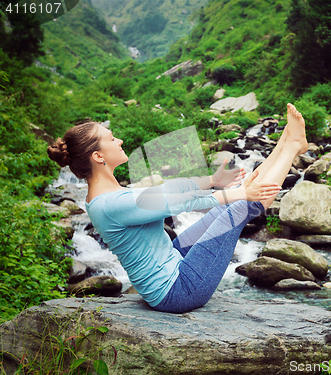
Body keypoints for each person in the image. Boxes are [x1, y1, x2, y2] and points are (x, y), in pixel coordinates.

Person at [47, 103, 308, 313]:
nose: (120, 140)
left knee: (228, 208)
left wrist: (212, 182)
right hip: (178, 291)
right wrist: (237, 193)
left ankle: (285, 143)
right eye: (112, 138)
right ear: (98, 156)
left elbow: (166, 190)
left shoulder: (104, 195)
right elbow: (182, 203)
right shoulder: (113, 203)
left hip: (171, 261)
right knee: (237, 208)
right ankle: (293, 148)